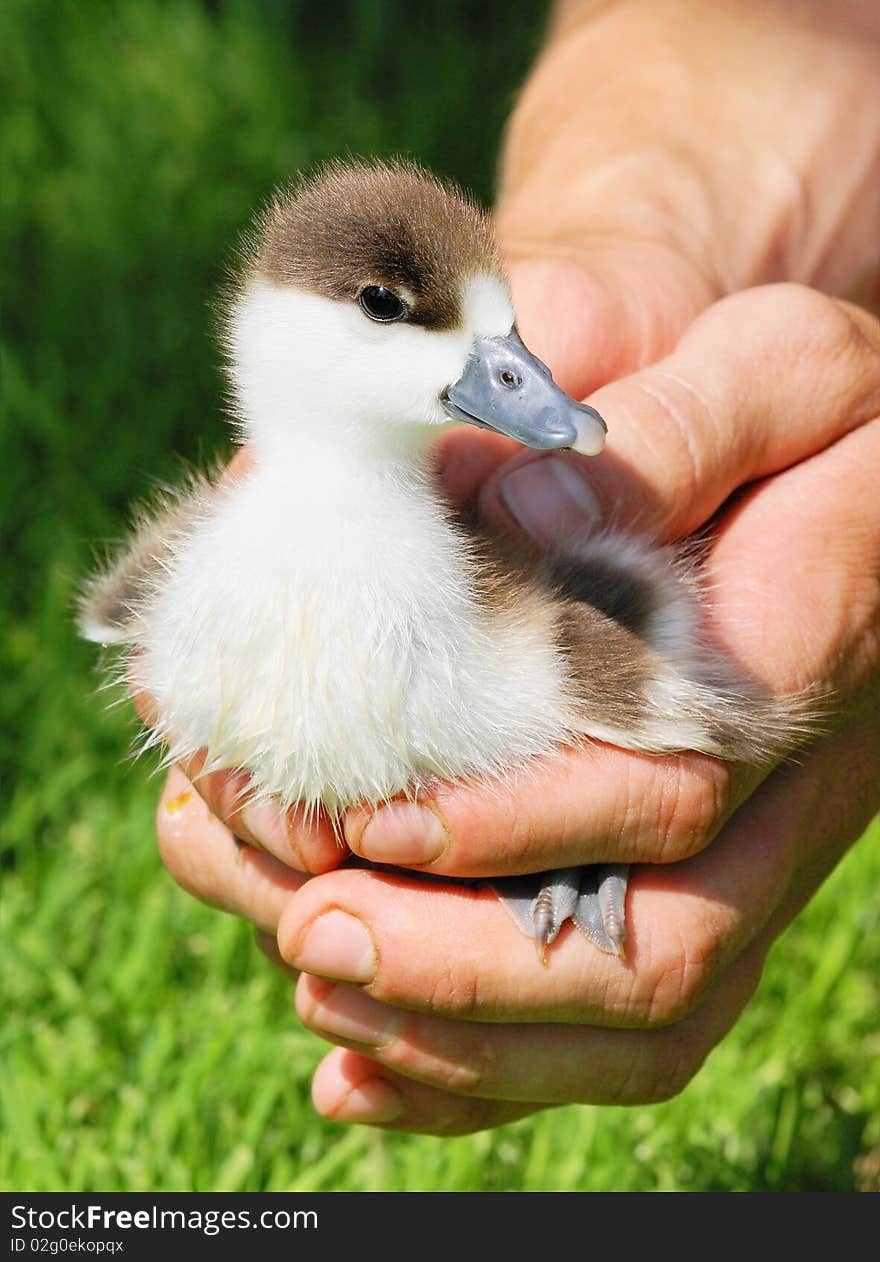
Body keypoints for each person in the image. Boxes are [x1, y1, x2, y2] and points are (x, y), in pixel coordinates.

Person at [152, 0, 880, 1134]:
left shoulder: (556, 616)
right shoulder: (208, 581)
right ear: (269, 326)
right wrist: (641, 231)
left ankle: (556, 864)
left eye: (503, 341)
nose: (524, 385)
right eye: (398, 313)